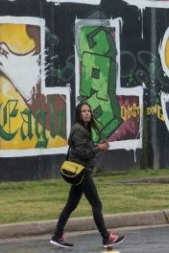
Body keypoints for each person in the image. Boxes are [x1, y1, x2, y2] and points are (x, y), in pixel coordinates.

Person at [50, 103, 125, 249]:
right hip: (82, 172)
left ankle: (58, 235)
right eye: (83, 111)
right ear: (78, 114)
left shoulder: (83, 129)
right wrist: (98, 148)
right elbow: (82, 153)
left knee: (71, 205)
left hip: (79, 171)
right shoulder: (78, 129)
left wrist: (97, 146)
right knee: (97, 204)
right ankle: (106, 237)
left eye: (89, 111)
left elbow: (84, 147)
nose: (87, 113)